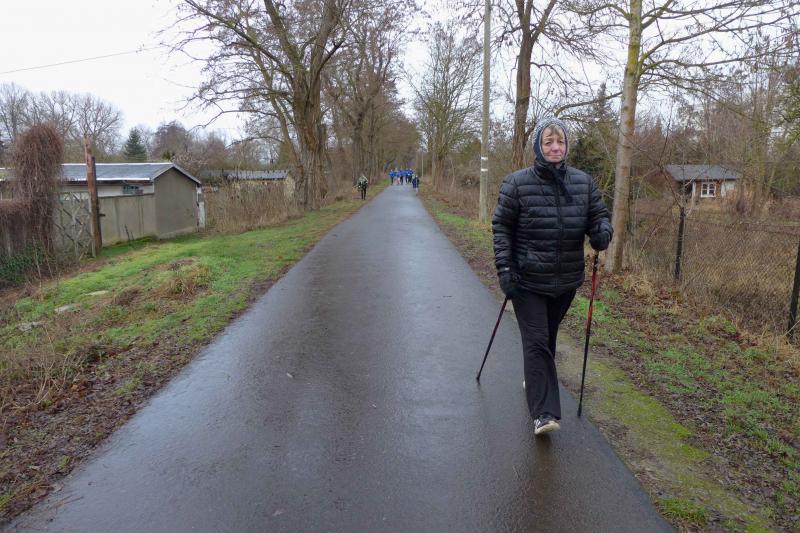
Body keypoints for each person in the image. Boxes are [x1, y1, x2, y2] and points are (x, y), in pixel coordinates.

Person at [491, 117, 613, 436]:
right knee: (536, 341)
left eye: (560, 142)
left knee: (547, 337)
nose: (555, 147)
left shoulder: (583, 183)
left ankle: (534, 379)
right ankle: (544, 413)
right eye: (548, 142)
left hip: (565, 281)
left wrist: (602, 232)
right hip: (527, 280)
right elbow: (501, 227)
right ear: (538, 147)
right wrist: (505, 269)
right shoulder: (517, 184)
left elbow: (599, 217)